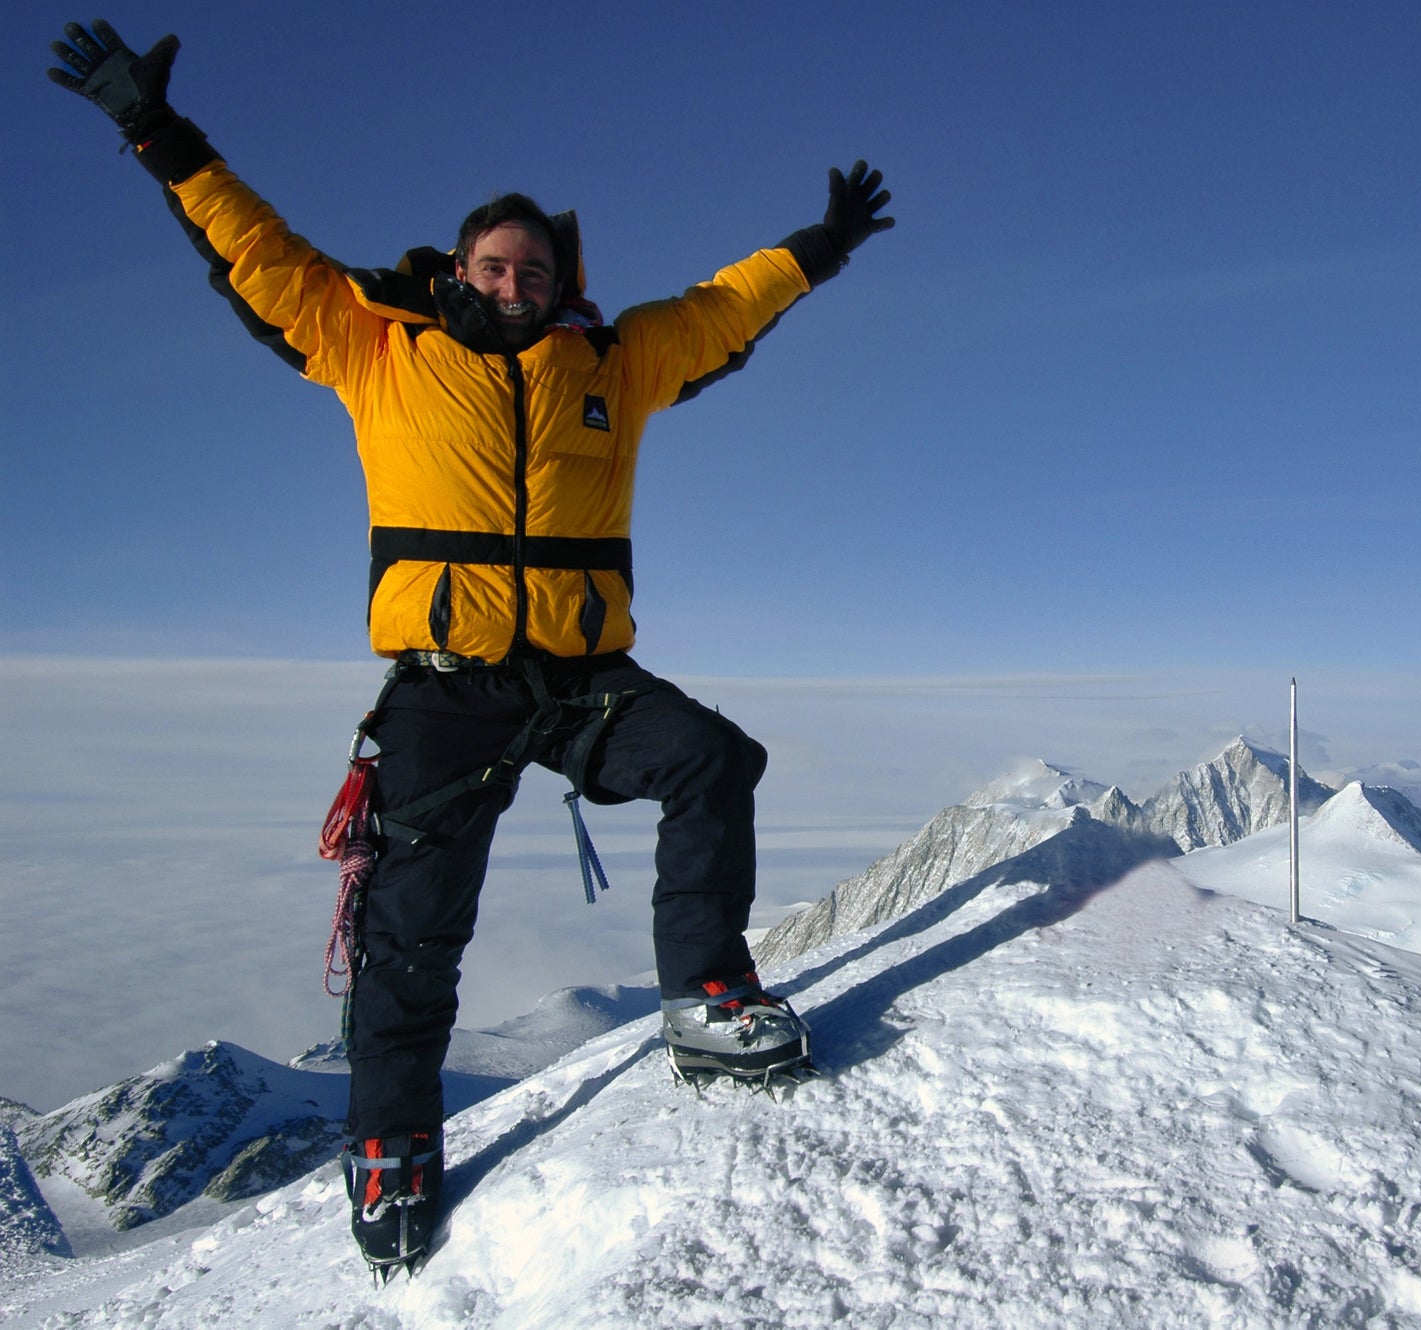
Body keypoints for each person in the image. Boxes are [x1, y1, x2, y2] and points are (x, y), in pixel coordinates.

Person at [48, 18, 893, 1278]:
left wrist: (816, 251)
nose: (518, 283)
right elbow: (257, 254)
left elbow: (722, 310)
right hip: (444, 693)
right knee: (410, 930)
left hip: (579, 682)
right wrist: (160, 135)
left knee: (711, 758)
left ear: (563, 281)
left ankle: (708, 1000)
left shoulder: (612, 360)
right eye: (498, 266)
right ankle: (390, 1143)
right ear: (458, 266)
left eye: (537, 269)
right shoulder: (377, 346)